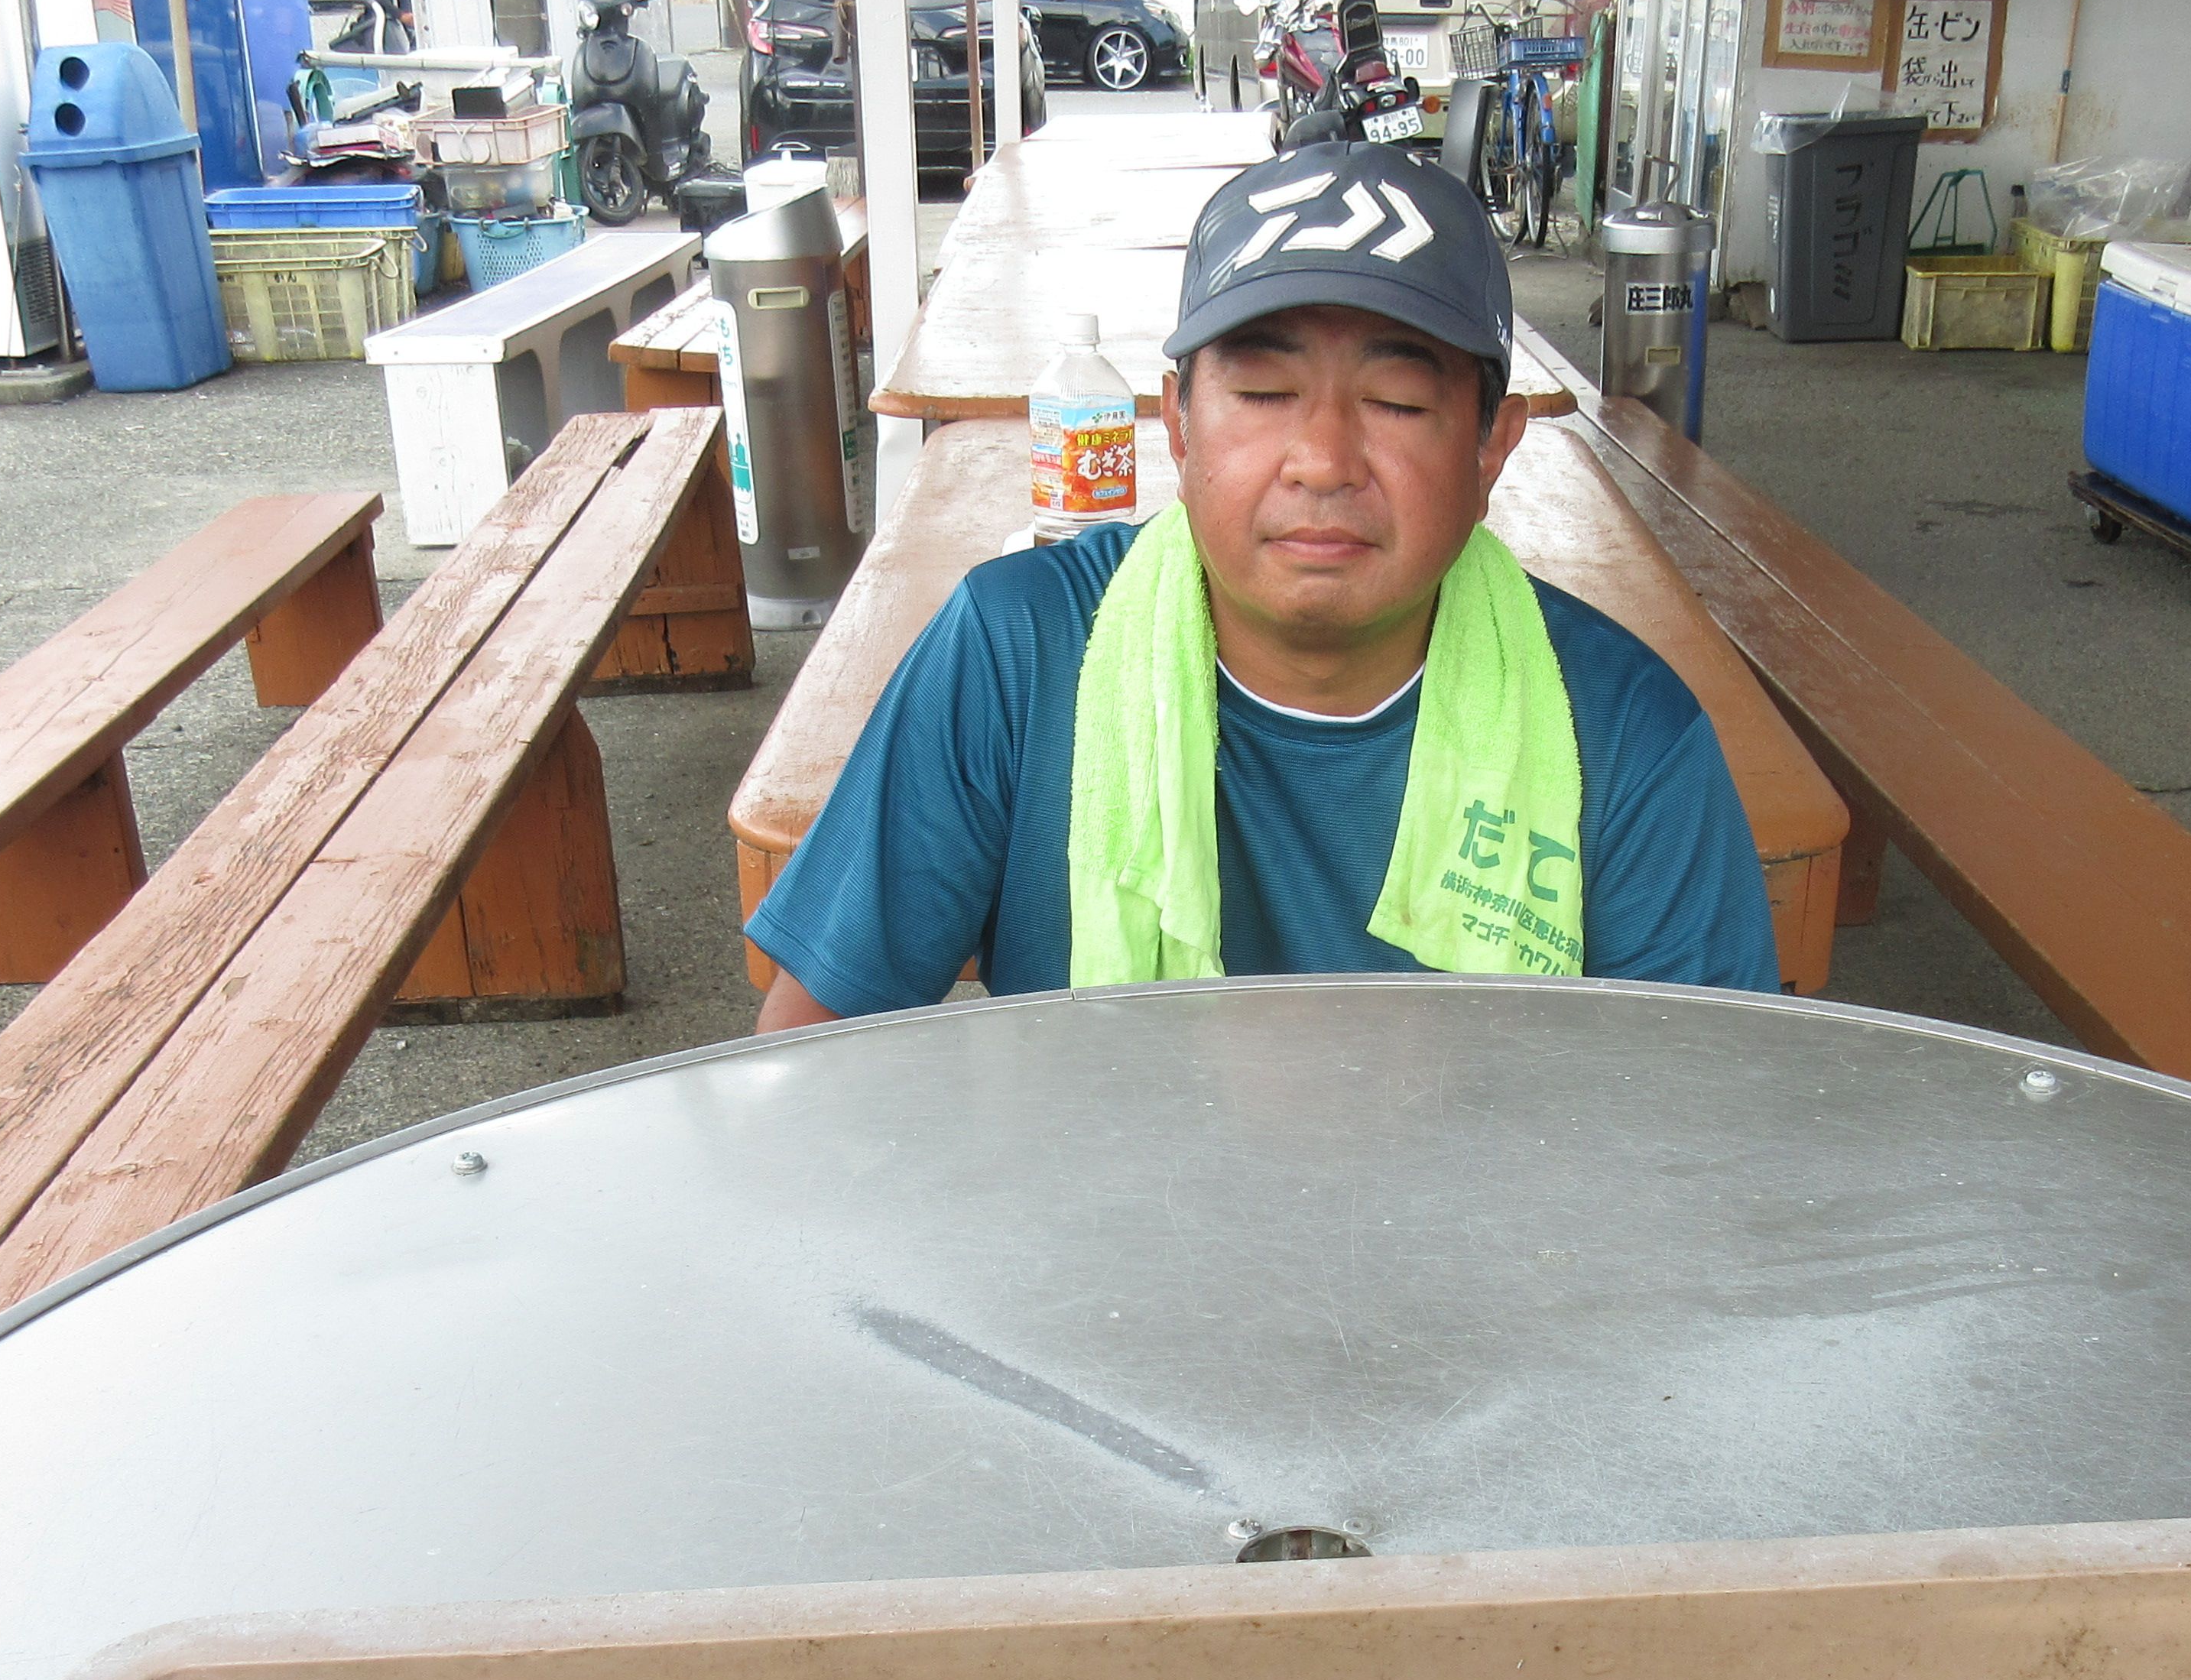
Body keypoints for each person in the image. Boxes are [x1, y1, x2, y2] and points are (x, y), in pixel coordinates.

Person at [746, 142, 1777, 1029]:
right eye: (1264, 391)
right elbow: (811, 1058)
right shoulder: (1017, 654)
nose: (1322, 461)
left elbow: (1705, 1125)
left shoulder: (1624, 733)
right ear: (1179, 424)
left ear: (1491, 448)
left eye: (1398, 400)